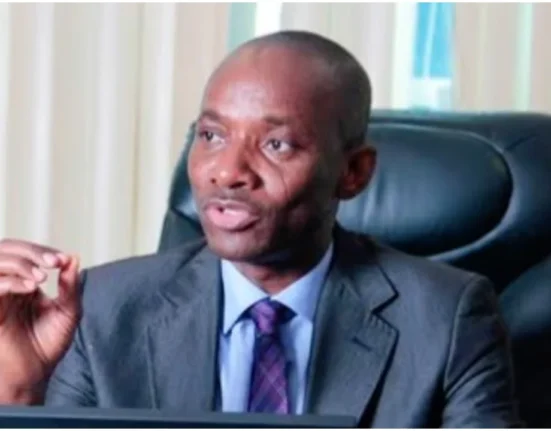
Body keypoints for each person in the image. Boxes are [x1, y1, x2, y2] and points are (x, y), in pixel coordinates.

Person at [0, 31, 520, 427]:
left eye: (277, 144)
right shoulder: (106, 309)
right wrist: (19, 392)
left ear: (354, 172)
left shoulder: (447, 319)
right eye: (211, 135)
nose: (227, 171)